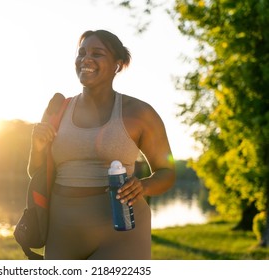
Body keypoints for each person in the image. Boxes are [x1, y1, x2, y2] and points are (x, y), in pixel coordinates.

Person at [28, 30, 176, 260]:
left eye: (97, 54)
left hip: (122, 229)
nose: (86, 59)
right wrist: (36, 147)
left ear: (117, 65)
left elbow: (167, 172)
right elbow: (34, 172)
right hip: (61, 230)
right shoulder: (57, 109)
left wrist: (144, 186)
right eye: (82, 53)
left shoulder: (140, 113)